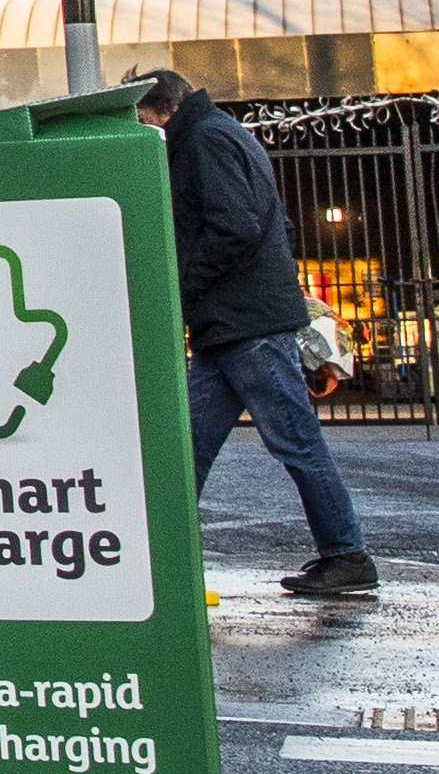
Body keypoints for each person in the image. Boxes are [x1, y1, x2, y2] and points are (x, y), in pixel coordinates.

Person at [148, 65, 371, 600]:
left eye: (143, 120)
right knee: (188, 445)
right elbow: (276, 224)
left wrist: (180, 286)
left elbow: (235, 227)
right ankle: (162, 558)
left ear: (163, 111)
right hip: (232, 324)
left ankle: (347, 555)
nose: (144, 134)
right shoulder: (226, 133)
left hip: (245, 323)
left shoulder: (202, 140)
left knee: (292, 440)